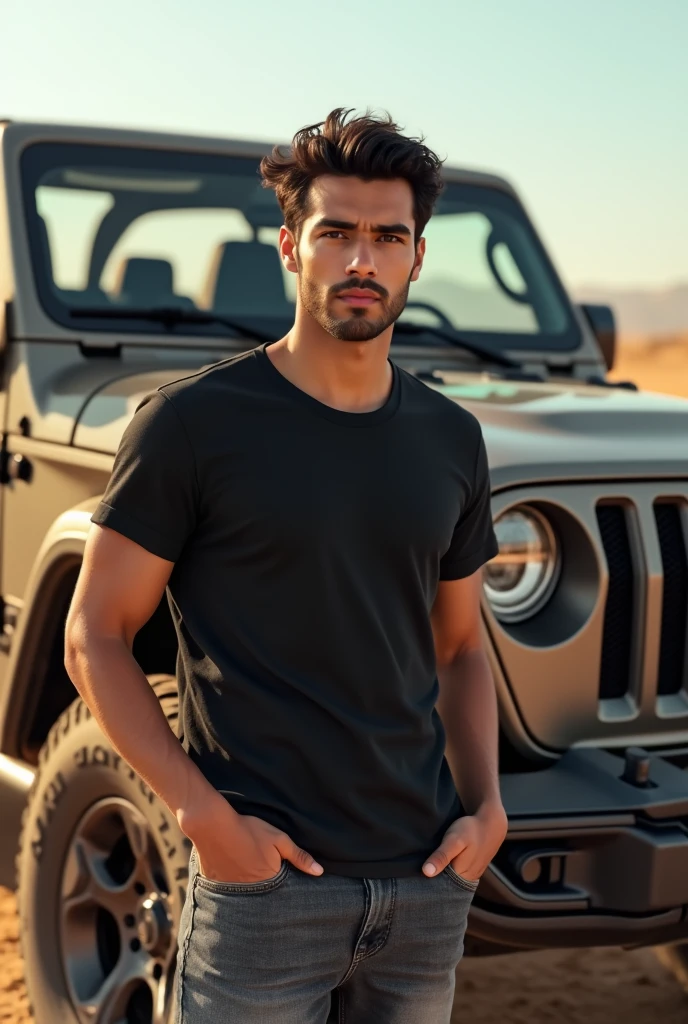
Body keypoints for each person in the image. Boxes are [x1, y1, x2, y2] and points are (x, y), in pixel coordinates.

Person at [65, 107, 508, 1024]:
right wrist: (202, 818)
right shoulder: (192, 425)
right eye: (335, 233)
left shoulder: (452, 439)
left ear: (417, 258)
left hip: (425, 886)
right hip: (267, 891)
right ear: (289, 248)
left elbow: (462, 647)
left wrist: (488, 810)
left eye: (388, 237)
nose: (361, 261)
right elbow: (94, 635)